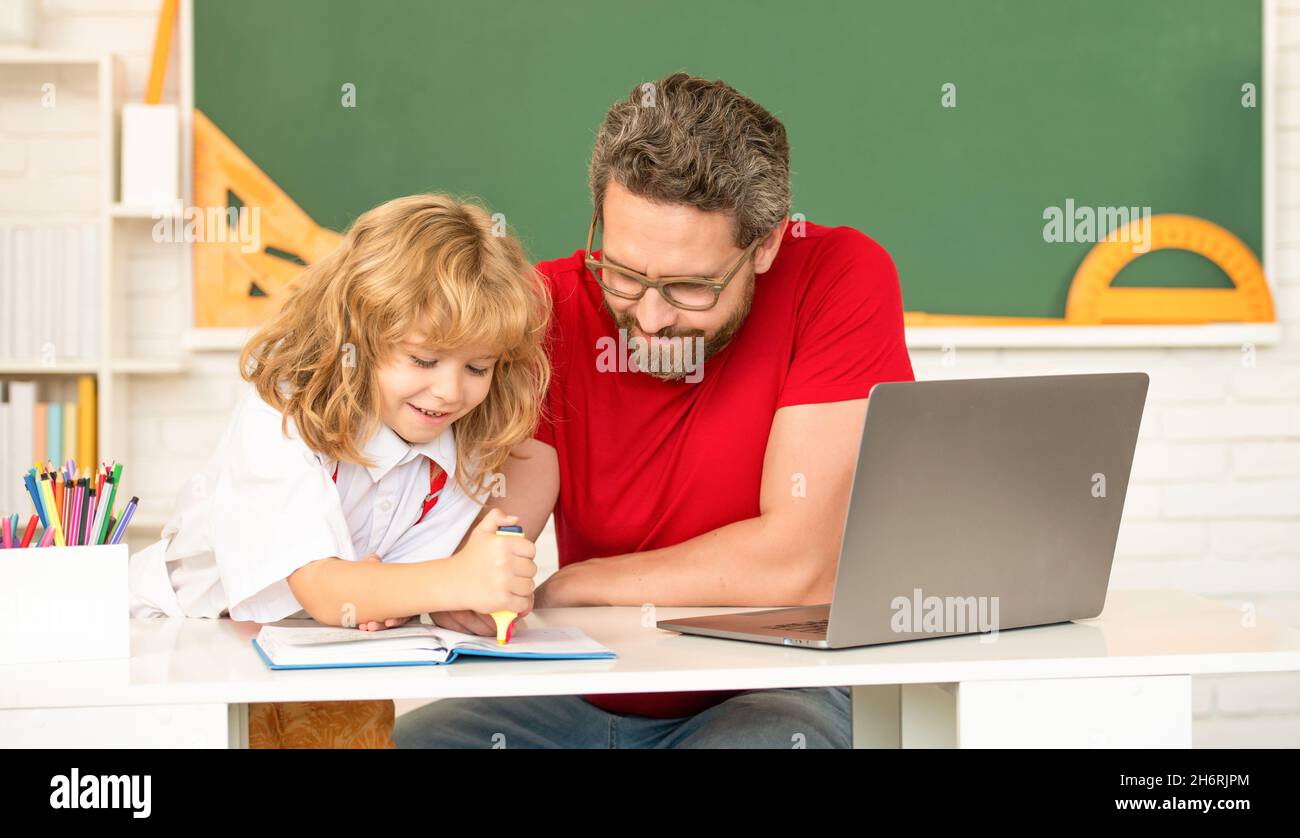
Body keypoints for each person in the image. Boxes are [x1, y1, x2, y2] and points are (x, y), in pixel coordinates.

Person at [396, 74, 914, 749]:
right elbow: (500, 533)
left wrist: (576, 585)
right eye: (623, 273)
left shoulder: (840, 277)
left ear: (765, 245)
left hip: (773, 691)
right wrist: (467, 576)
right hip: (576, 687)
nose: (648, 317)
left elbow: (799, 565)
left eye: (691, 287)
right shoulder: (544, 305)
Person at [129, 193, 550, 747]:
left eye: (477, 366)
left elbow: (538, 465)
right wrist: (452, 580)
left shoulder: (456, 447)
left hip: (318, 659)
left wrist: (413, 591)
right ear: (357, 333)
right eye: (423, 360)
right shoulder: (283, 411)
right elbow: (326, 589)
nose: (450, 391)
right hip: (181, 650)